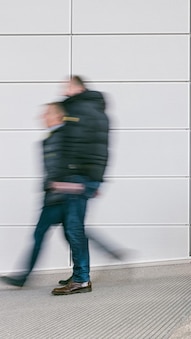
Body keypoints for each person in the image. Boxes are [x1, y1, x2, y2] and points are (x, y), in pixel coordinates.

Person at [51, 75, 110, 295]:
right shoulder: (96, 110)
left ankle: (81, 279)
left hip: (77, 177)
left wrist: (67, 176)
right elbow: (102, 148)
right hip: (86, 175)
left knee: (74, 227)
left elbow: (72, 145)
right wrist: (96, 178)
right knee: (71, 226)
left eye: (67, 87)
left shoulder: (80, 109)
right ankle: (79, 271)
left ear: (78, 87)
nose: (64, 91)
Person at [1, 103, 70, 287]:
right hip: (55, 196)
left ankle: (22, 277)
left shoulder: (62, 136)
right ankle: (108, 254)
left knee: (43, 235)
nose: (43, 117)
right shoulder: (52, 137)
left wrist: (56, 184)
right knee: (73, 235)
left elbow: (62, 166)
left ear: (57, 116)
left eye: (46, 113)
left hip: (58, 197)